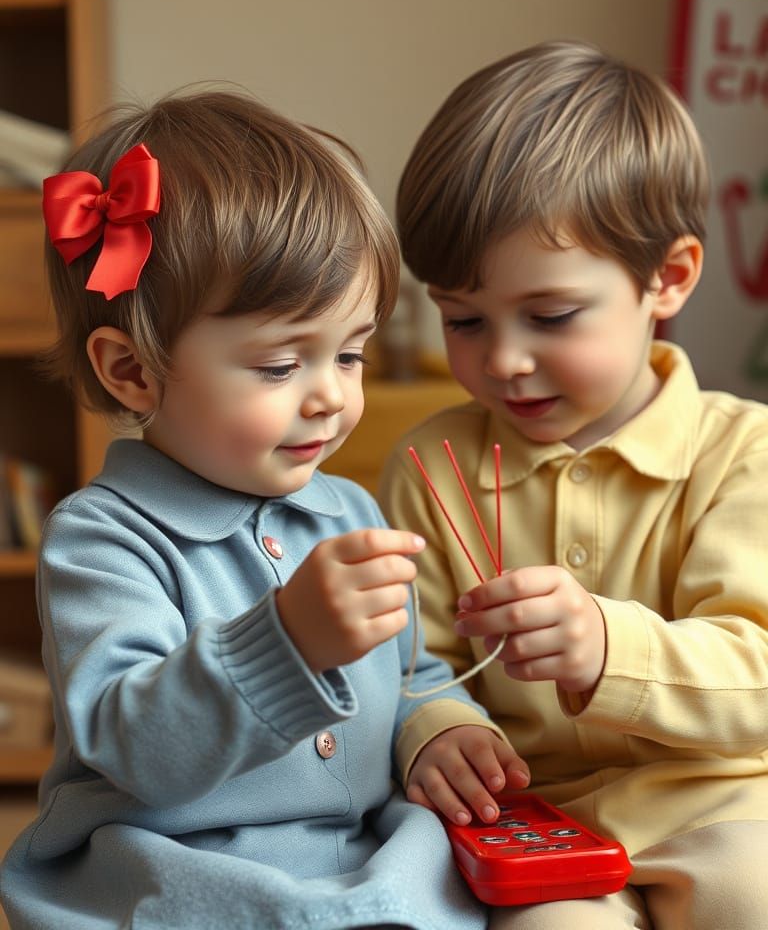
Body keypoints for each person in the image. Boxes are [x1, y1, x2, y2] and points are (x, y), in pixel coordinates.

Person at [0, 89, 531, 930]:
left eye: (350, 353)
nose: (329, 397)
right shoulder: (101, 542)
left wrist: (437, 727)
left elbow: (410, 672)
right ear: (133, 372)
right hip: (175, 868)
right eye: (282, 365)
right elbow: (137, 748)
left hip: (356, 853)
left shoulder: (348, 508)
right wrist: (287, 643)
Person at [378, 41, 768, 929]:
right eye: (463, 320)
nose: (504, 360)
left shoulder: (744, 455)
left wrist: (608, 648)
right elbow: (402, 669)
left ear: (665, 280)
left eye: (550, 316)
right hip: (536, 831)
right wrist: (434, 730)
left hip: (726, 807)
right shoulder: (431, 469)